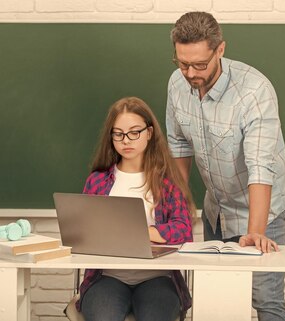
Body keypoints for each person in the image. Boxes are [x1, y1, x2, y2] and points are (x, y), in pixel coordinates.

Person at [166, 12, 285, 321]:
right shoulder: (177, 84)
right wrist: (175, 209)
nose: (191, 73)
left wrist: (255, 234)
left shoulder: (254, 92)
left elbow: (260, 167)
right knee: (217, 301)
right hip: (217, 209)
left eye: (200, 65)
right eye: (183, 64)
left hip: (261, 210)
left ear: (220, 50)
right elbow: (179, 146)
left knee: (266, 299)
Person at [76, 96, 195, 321]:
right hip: (107, 277)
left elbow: (184, 230)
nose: (126, 140)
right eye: (118, 133)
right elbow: (84, 232)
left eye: (134, 132)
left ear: (149, 133)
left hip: (157, 278)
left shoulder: (167, 181)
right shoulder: (97, 181)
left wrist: (144, 232)